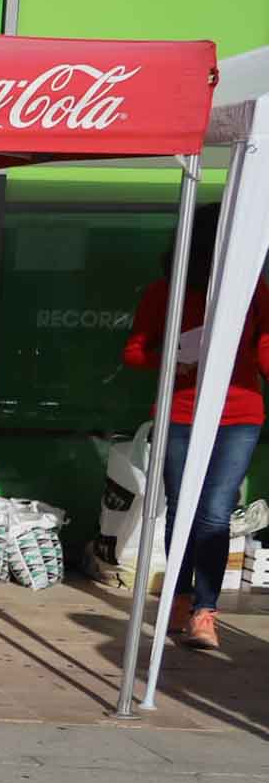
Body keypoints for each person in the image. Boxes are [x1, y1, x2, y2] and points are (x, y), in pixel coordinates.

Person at [123, 206, 267, 652]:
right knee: (183, 509)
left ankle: (205, 611)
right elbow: (134, 352)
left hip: (239, 415)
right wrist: (174, 361)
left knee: (215, 512)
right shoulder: (163, 292)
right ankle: (180, 601)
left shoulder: (253, 290)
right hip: (181, 412)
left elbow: (264, 349)